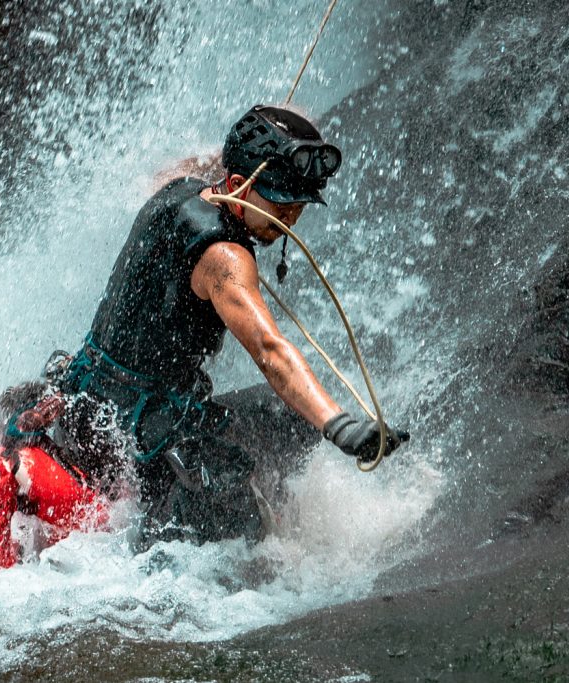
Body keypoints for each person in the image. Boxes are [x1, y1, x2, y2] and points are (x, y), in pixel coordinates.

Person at [49, 104, 409, 548]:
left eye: (299, 204)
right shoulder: (224, 259)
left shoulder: (181, 187)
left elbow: (208, 163)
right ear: (239, 186)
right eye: (281, 202)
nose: (291, 217)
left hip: (90, 395)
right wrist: (338, 425)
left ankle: (279, 501)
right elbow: (270, 349)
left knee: (288, 420)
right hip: (141, 433)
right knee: (245, 521)